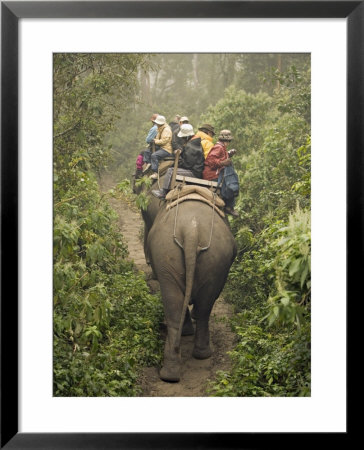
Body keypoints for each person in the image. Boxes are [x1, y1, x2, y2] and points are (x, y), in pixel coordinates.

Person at [152, 123, 205, 199]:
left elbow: (187, 165)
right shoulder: (195, 144)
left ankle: (163, 192)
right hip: (195, 169)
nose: (182, 140)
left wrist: (179, 160)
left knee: (171, 170)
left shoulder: (191, 146)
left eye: (183, 138)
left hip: (194, 172)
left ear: (187, 136)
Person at [203, 129, 239, 216]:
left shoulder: (222, 148)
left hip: (216, 173)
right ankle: (229, 206)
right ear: (226, 140)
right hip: (212, 175)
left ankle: (229, 205)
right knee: (230, 184)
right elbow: (210, 160)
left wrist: (229, 154)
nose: (228, 143)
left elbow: (221, 157)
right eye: (228, 141)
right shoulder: (218, 147)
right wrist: (222, 163)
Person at [150, 115, 173, 179]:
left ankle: (155, 172)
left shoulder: (166, 130)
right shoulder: (161, 128)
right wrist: (155, 140)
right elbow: (158, 137)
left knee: (154, 155)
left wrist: (156, 141)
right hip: (162, 147)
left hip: (166, 149)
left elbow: (164, 141)